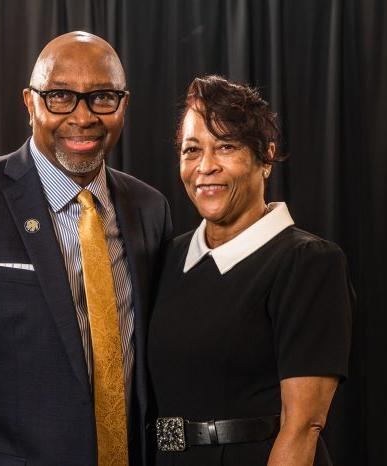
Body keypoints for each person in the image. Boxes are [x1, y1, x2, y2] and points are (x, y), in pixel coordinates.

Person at [0, 31, 172, 466]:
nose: (82, 117)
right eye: (60, 96)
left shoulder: (150, 208)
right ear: (30, 103)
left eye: (102, 97)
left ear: (123, 105)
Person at [147, 75, 353, 466]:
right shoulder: (167, 258)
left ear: (266, 157)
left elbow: (303, 425)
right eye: (192, 150)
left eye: (226, 147)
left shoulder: (307, 262)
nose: (205, 166)